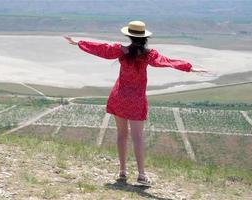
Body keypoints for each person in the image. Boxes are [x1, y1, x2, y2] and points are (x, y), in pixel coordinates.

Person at [64, 21, 208, 185]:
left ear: (129, 36)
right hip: (136, 100)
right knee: (137, 137)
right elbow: (167, 61)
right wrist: (189, 68)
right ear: (145, 38)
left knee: (121, 135)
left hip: (119, 97)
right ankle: (141, 174)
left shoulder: (121, 51)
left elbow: (101, 49)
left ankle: (122, 171)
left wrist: (79, 43)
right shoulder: (148, 55)